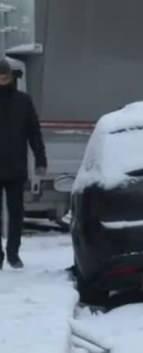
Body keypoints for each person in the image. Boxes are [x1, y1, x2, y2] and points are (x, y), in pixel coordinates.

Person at [0, 58, 47, 269]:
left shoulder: (23, 101)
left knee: (16, 213)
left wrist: (40, 159)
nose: (2, 80)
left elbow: (34, 132)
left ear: (11, 77)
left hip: (16, 168)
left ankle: (13, 253)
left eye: (5, 76)